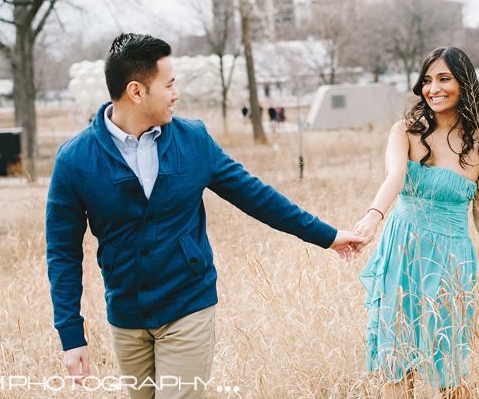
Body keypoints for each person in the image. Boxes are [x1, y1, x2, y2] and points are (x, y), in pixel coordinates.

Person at [45, 33, 362, 399]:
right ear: (136, 91)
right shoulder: (74, 160)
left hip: (187, 305)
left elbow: (255, 196)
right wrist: (71, 336)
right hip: (126, 317)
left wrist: (327, 235)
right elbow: (63, 253)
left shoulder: (193, 140)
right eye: (169, 84)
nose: (176, 94)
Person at [351, 47, 479, 398]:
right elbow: (395, 177)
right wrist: (373, 217)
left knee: (449, 369)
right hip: (401, 255)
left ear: (464, 83)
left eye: (444, 78)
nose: (433, 88)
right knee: (394, 362)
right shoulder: (404, 132)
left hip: (451, 262)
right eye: (427, 80)